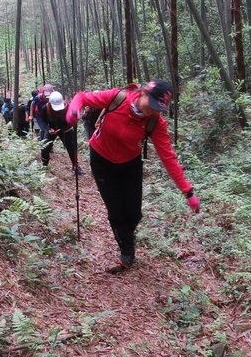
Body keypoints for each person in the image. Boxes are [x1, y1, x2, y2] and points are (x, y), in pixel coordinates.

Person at [67, 80, 200, 274]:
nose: (152, 112)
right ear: (143, 93)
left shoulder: (155, 122)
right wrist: (72, 111)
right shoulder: (117, 98)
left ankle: (125, 234)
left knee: (134, 214)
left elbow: (168, 157)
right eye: (152, 106)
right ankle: (127, 252)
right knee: (117, 212)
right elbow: (82, 97)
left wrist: (188, 192)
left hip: (130, 164)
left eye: (158, 109)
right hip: (101, 161)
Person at [41, 91, 81, 173]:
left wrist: (62, 129)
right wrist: (48, 129)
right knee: (45, 147)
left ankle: (75, 166)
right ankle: (44, 166)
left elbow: (71, 122)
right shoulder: (45, 108)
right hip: (51, 130)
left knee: (72, 147)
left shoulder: (68, 107)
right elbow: (43, 121)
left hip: (66, 129)